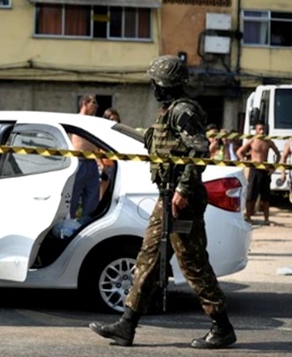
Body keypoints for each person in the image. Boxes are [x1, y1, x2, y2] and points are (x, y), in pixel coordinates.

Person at [89, 55, 237, 349]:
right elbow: (164, 144)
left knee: (193, 264)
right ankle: (126, 325)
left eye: (155, 81)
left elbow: (199, 151)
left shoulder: (183, 111)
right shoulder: (167, 112)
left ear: (165, 84)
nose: (153, 86)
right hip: (167, 196)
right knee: (148, 258)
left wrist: (182, 190)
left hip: (184, 199)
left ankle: (222, 327)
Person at [237, 122, 281, 225]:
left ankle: (266, 219)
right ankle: (248, 216)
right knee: (251, 195)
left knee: (265, 197)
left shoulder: (268, 141)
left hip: (265, 170)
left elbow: (278, 154)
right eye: (260, 129)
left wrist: (273, 168)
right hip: (254, 170)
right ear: (256, 130)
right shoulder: (252, 140)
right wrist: (245, 161)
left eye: (263, 129)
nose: (262, 131)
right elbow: (239, 152)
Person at [70, 95, 100, 219]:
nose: (96, 106)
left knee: (92, 198)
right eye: (93, 103)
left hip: (92, 163)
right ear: (84, 103)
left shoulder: (94, 122)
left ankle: (86, 222)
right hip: (79, 162)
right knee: (73, 197)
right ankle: (69, 222)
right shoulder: (76, 120)